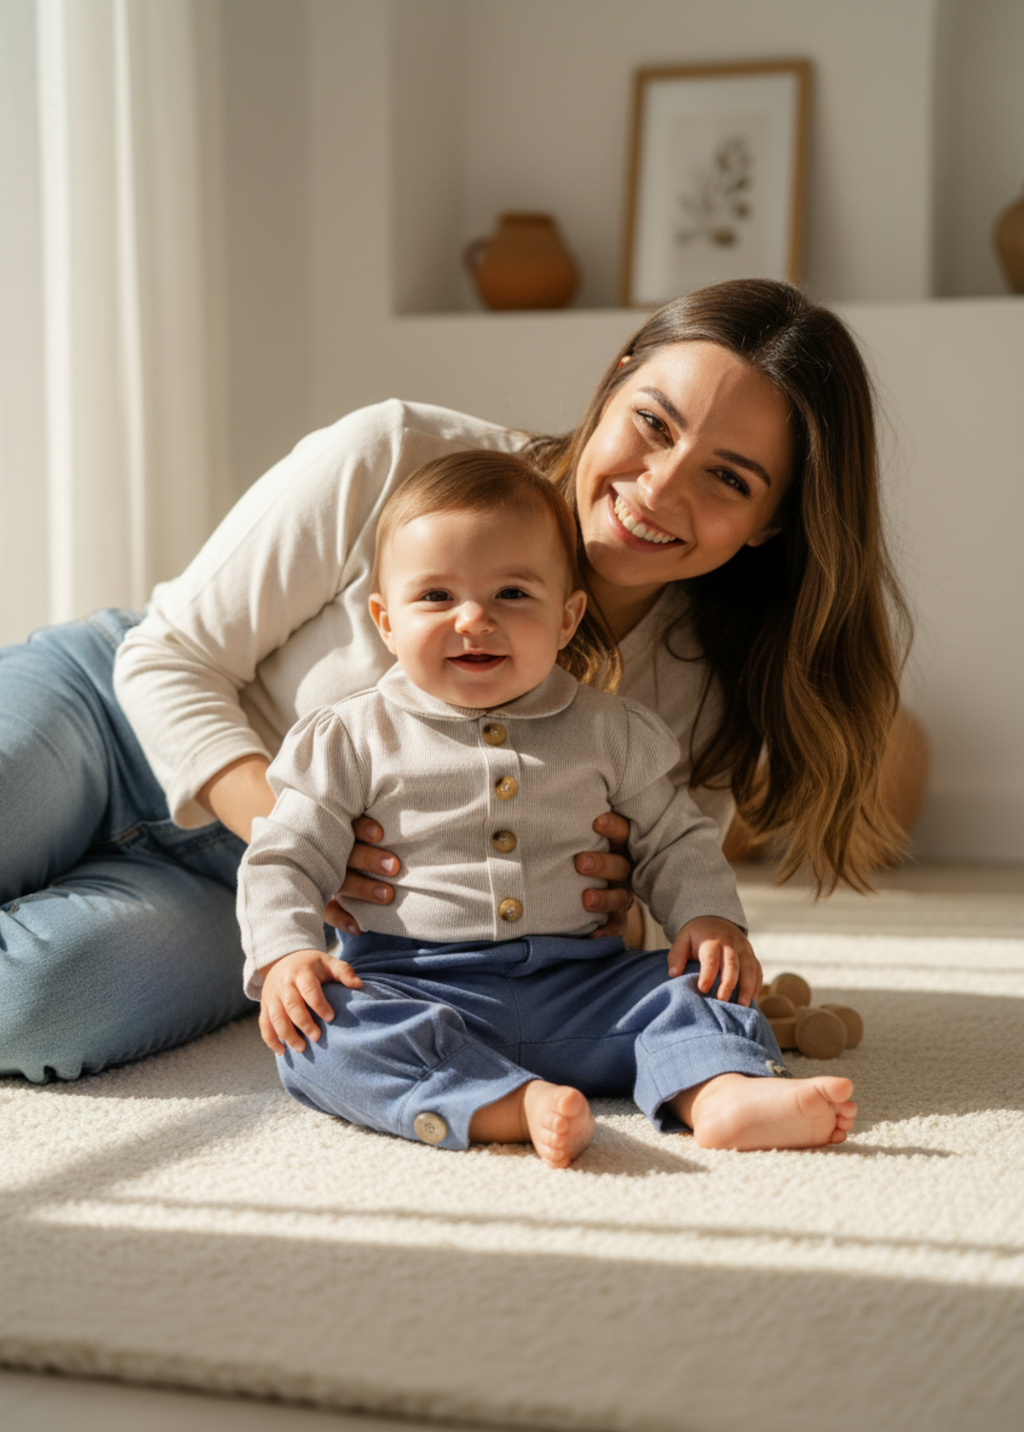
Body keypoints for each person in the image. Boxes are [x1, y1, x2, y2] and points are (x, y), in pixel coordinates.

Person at [0, 278, 912, 1086]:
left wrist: (634, 912)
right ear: (616, 378)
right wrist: (290, 831)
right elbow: (168, 656)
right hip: (113, 718)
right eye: (652, 422)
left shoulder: (706, 688)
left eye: (728, 477)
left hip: (272, 896)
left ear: (771, 522)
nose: (660, 489)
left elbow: (645, 905)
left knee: (47, 1002)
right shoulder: (398, 455)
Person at [239, 450, 857, 1165]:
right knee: (315, 1036)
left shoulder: (612, 730)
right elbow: (283, 855)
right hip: (410, 984)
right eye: (436, 597)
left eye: (512, 595)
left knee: (701, 989)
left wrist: (709, 917)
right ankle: (504, 1104)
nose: (474, 619)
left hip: (586, 986)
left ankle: (719, 1094)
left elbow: (675, 839)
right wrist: (287, 952)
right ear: (385, 621)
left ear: (567, 619)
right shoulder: (349, 737)